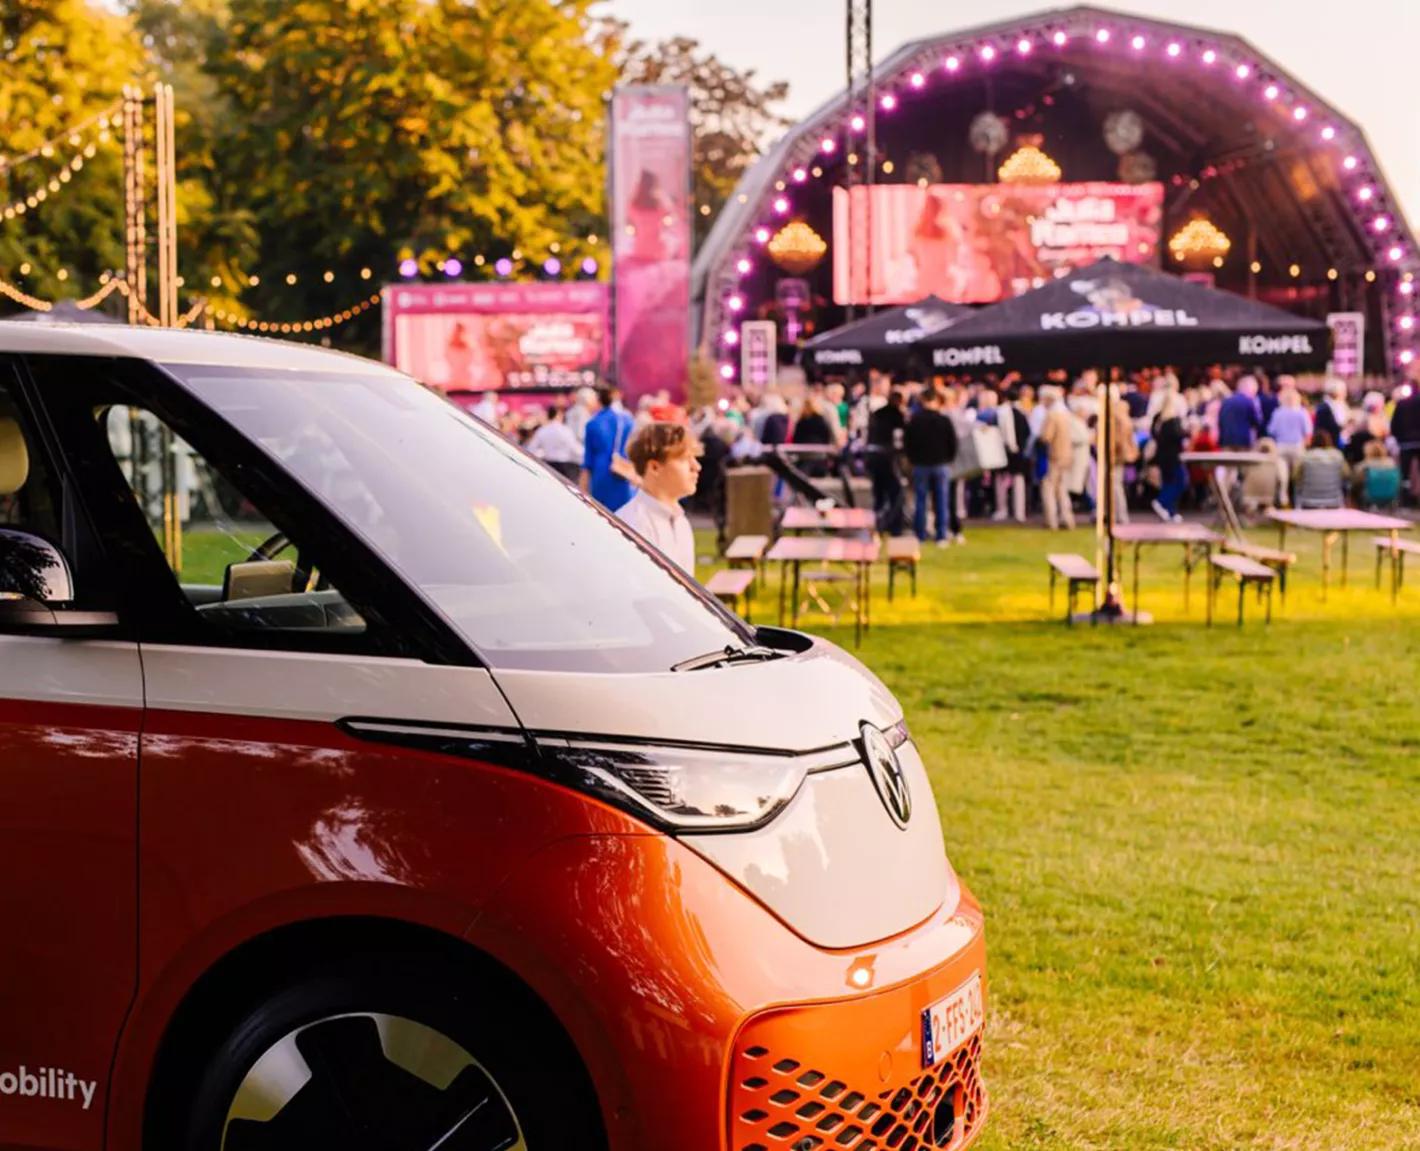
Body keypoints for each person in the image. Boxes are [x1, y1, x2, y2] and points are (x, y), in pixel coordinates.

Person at [616, 422, 701, 575]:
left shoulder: (680, 521)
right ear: (655, 467)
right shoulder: (634, 525)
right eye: (684, 459)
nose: (696, 466)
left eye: (693, 458)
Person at [904, 387, 958, 546]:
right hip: (940, 464)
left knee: (921, 501)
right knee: (941, 501)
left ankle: (919, 534)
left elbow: (908, 444)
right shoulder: (943, 420)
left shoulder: (915, 420)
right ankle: (941, 535)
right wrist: (948, 459)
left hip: (921, 465)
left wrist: (913, 459)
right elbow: (952, 443)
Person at [581, 385, 637, 512]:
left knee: (601, 514)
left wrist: (582, 490)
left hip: (600, 473)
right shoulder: (627, 420)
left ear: (598, 400)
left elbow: (587, 461)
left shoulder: (593, 423)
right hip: (622, 471)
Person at [866, 387, 907, 534]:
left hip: (873, 457)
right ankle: (894, 526)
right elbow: (900, 439)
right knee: (896, 493)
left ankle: (877, 525)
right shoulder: (897, 415)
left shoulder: (877, 413)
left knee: (878, 494)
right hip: (888, 458)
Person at [1037, 385, 1076, 531]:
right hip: (1066, 455)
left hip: (1054, 456)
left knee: (1048, 488)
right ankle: (1067, 519)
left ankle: (1051, 520)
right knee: (1062, 489)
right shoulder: (1066, 414)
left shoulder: (1052, 415)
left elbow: (1046, 436)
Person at [1150, 392, 1188, 522]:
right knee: (1180, 482)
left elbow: (1154, 436)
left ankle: (1171, 512)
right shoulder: (1173, 421)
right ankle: (1161, 502)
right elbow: (1178, 437)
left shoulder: (1158, 420)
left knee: (1167, 483)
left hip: (1162, 457)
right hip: (1173, 457)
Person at [527, 404, 582, 481]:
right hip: (565, 468)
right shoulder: (565, 430)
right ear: (558, 415)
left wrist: (542, 454)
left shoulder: (542, 430)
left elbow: (531, 449)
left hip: (549, 466)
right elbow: (575, 449)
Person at [1294, 430, 1348, 509]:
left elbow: (1295, 477)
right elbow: (1346, 475)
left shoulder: (1304, 457)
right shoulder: (1337, 456)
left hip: (1308, 502)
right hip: (1334, 501)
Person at [1391, 376, 1420, 504]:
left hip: (1405, 443)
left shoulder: (1401, 404)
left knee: (1405, 474)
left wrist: (1399, 438)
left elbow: (1394, 424)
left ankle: (1406, 499)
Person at [1218, 376, 1263, 449]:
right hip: (1242, 442)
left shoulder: (1226, 401)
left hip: (1226, 441)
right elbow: (1256, 422)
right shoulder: (1248, 402)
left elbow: (1220, 422)